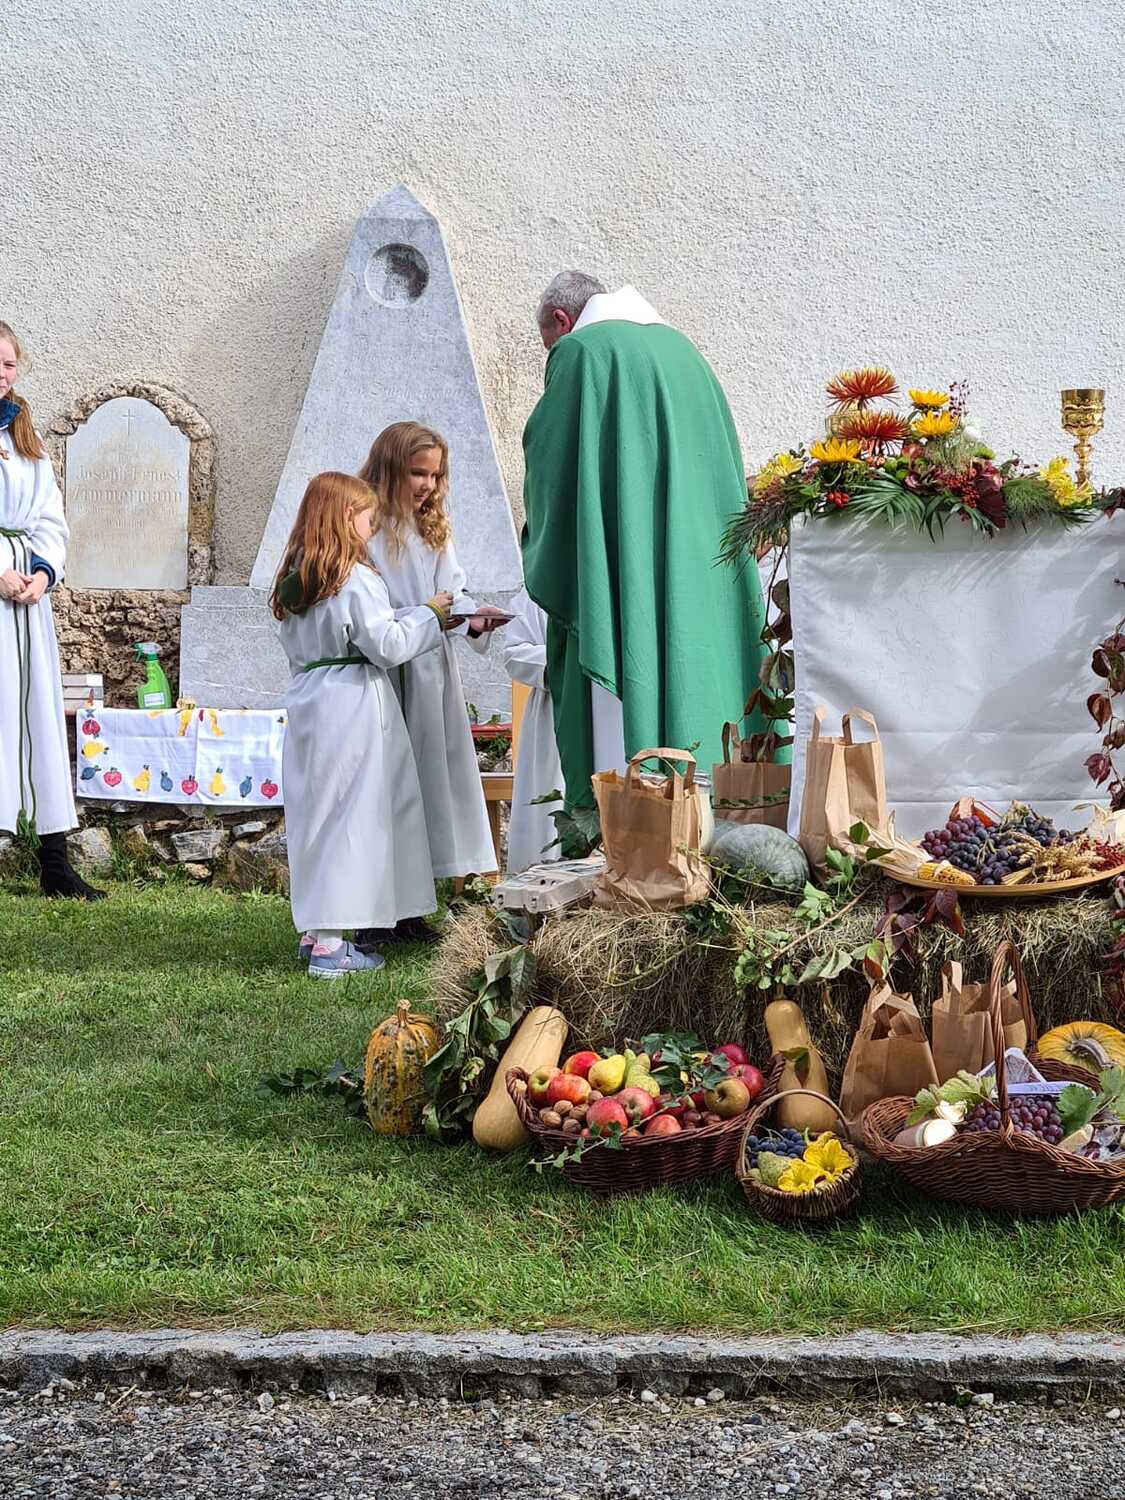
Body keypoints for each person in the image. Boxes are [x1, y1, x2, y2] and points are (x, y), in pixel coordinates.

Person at [521, 273, 767, 813]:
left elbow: (552, 465)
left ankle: (635, 831)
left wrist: (540, 537)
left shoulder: (582, 353)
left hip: (625, 563)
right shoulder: (687, 354)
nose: (551, 355)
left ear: (562, 321)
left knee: (620, 730)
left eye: (547, 344)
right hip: (698, 563)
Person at [270, 471, 450, 979]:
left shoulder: (299, 579)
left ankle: (315, 930)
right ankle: (330, 947)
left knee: (317, 816)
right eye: (370, 519)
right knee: (350, 817)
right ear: (348, 516)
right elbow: (387, 645)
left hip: (310, 700)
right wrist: (431, 615)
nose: (373, 529)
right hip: (351, 704)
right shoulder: (354, 578)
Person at [360, 422, 504, 919]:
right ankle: (388, 906)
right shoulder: (366, 527)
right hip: (389, 670)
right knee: (392, 783)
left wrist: (472, 617)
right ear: (390, 468)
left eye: (435, 475)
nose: (427, 485)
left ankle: (426, 895)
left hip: (432, 672)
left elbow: (451, 592)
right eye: (417, 473)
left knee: (434, 781)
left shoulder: (432, 528)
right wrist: (424, 615)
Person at [0, 321, 104, 899]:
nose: (2, 373)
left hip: (27, 604)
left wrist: (42, 574)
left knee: (38, 714)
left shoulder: (25, 435)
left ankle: (55, 864)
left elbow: (49, 517)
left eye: (9, 363)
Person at [497, 587, 564, 873]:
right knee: (551, 803)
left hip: (611, 705)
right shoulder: (539, 588)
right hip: (555, 708)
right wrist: (565, 660)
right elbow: (514, 653)